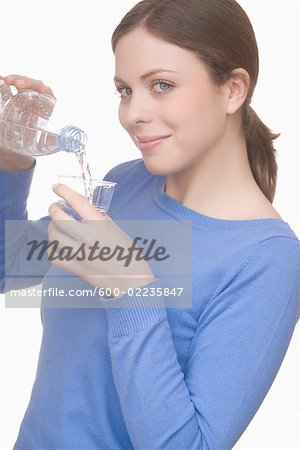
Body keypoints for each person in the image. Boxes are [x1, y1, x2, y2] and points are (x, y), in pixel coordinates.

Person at [1, 0, 299, 449]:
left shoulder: (267, 259)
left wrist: (131, 293)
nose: (131, 114)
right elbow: (9, 267)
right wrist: (11, 159)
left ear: (233, 89)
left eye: (161, 85)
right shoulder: (125, 182)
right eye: (125, 90)